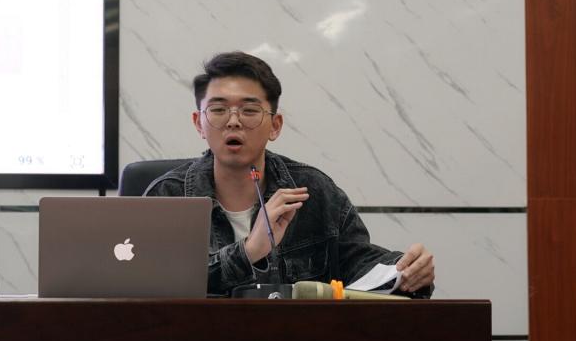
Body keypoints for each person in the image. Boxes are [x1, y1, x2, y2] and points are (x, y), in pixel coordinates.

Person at [144, 51, 435, 297]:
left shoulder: (314, 192)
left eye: (249, 110)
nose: (233, 121)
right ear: (199, 123)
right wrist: (250, 250)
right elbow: (150, 284)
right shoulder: (167, 196)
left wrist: (407, 269)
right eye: (218, 109)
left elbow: (359, 265)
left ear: (275, 125)